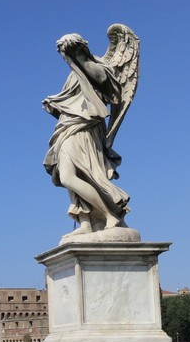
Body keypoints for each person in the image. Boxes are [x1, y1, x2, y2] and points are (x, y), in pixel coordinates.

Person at [42, 27, 139, 238]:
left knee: (75, 175)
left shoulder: (95, 64)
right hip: (68, 126)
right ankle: (85, 220)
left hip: (85, 128)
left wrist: (80, 58)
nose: (64, 56)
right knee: (71, 174)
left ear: (80, 48)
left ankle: (109, 216)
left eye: (69, 50)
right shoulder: (72, 74)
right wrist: (56, 104)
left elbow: (106, 86)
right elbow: (74, 100)